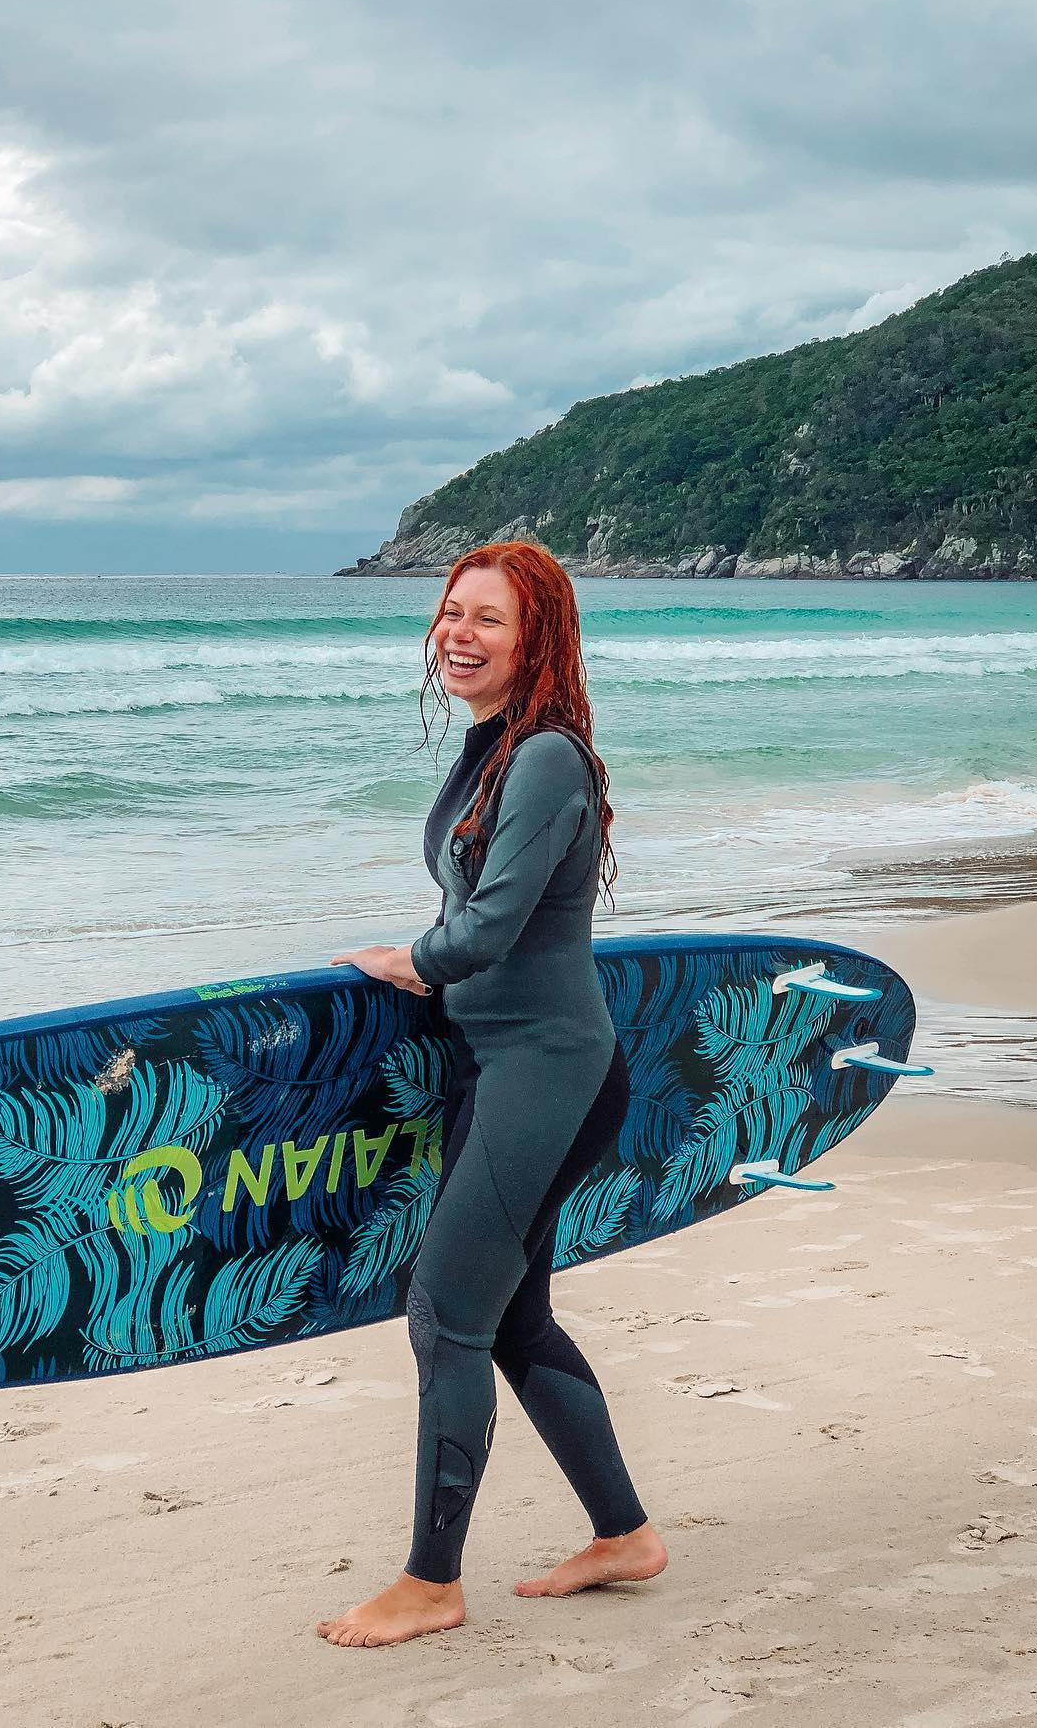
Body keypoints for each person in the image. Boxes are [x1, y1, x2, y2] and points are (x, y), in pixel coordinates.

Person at [319, 540, 666, 1649]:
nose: (459, 633)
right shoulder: (493, 749)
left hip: (548, 1072)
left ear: (539, 641)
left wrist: (406, 959)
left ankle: (431, 1580)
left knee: (446, 1315)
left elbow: (488, 926)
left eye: (490, 620)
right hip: (501, 1066)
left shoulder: (547, 757)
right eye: (450, 612)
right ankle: (625, 1533)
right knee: (512, 1316)